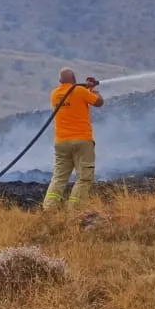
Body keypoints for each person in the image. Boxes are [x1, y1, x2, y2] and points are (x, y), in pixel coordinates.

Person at [42, 67, 102, 209]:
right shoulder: (81, 91)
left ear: (60, 81)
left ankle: (49, 208)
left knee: (59, 177)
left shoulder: (54, 94)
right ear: (74, 79)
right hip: (82, 141)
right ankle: (74, 209)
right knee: (84, 177)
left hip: (61, 143)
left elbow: (70, 97)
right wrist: (92, 89)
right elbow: (99, 102)